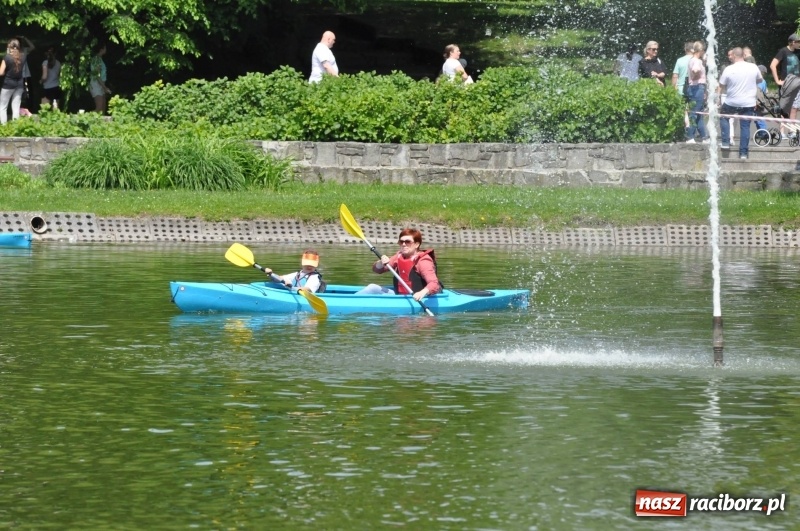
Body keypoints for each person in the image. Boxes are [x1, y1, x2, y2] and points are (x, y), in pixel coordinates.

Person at [371, 228, 442, 302]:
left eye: (408, 242)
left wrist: (421, 293)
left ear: (416, 244)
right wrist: (381, 262)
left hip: (418, 298)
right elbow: (377, 270)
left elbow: (434, 284)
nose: (404, 244)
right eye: (401, 242)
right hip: (401, 296)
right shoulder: (399, 256)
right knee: (372, 288)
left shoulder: (423, 261)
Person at [718, 47, 763, 160]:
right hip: (748, 102)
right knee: (745, 126)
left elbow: (721, 85)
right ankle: (743, 153)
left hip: (731, 101)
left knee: (724, 117)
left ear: (733, 55)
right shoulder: (753, 67)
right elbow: (760, 80)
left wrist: (717, 98)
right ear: (743, 55)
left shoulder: (728, 69)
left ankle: (725, 142)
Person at [685, 41, 709, 144]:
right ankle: (690, 136)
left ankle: (704, 137)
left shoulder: (692, 60)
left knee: (699, 113)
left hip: (695, 87)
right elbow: (695, 70)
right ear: (701, 50)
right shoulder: (696, 61)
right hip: (697, 87)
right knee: (694, 113)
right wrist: (696, 76)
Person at [0, 38, 28, 124]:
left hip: (8, 85)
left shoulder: (7, 57)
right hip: (19, 85)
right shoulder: (23, 56)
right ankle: (16, 126)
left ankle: (4, 127)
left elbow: (1, 72)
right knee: (16, 107)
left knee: (3, 107)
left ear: (9, 46)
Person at [89, 43, 112, 113]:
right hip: (96, 84)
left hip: (100, 84)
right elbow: (97, 75)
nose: (106, 49)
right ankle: (83, 117)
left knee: (103, 108)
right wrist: (104, 87)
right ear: (101, 49)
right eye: (105, 48)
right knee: (99, 108)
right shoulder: (97, 59)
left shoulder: (99, 59)